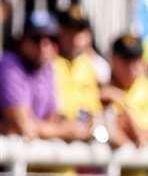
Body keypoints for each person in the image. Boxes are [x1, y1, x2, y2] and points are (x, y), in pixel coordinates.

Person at [0, 11, 93, 141]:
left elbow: (51, 118)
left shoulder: (47, 68)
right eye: (36, 39)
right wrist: (67, 130)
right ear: (22, 41)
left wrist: (48, 129)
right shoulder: (9, 65)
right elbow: (24, 127)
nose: (44, 46)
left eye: (52, 39)